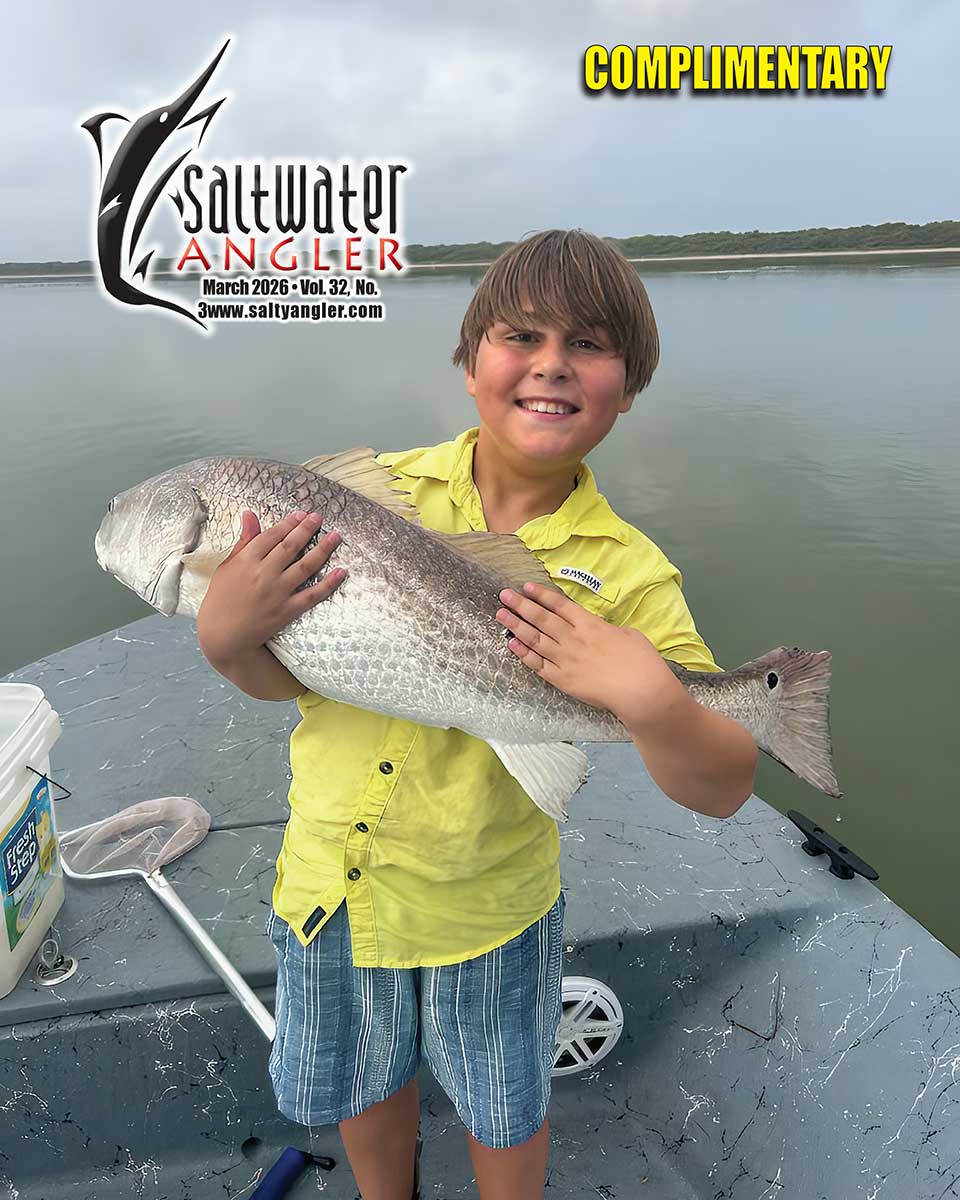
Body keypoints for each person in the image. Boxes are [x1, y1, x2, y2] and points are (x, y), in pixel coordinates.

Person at [196, 229, 759, 1200]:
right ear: (469, 364)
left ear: (629, 387)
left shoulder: (630, 573)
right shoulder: (364, 500)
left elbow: (722, 785)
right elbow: (292, 680)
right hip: (336, 890)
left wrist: (657, 698)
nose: (552, 363)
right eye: (522, 336)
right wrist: (226, 639)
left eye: (588, 344)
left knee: (505, 1109)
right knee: (366, 1089)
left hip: (491, 910)